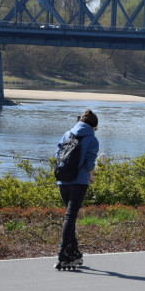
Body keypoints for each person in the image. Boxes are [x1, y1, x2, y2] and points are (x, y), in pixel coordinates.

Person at [55, 108, 99, 270]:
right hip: (79, 182)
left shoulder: (67, 134)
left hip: (63, 181)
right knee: (70, 217)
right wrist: (91, 175)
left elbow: (57, 153)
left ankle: (73, 251)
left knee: (69, 216)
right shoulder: (92, 138)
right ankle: (62, 253)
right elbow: (90, 162)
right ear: (93, 126)